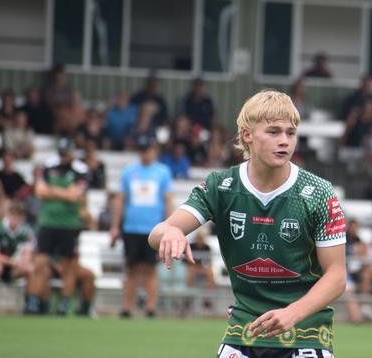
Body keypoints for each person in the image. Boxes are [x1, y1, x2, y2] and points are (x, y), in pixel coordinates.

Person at [148, 90, 346, 356]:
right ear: (247, 135)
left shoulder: (319, 193)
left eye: (291, 133)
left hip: (304, 334)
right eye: (273, 132)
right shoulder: (221, 187)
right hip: (244, 332)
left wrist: (292, 313)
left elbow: (336, 276)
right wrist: (171, 232)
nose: (284, 141)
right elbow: (157, 233)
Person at [110, 135, 173, 318]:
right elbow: (121, 200)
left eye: (147, 150)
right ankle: (127, 307)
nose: (145, 154)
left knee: (150, 269)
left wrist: (169, 225)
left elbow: (167, 200)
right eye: (142, 150)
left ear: (153, 150)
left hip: (153, 229)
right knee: (131, 268)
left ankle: (150, 307)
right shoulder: (129, 172)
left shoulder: (162, 172)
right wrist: (115, 225)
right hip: (131, 228)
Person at [27, 137, 88, 315]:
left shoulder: (80, 170)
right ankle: (33, 300)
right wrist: (64, 192)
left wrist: (51, 191)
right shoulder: (49, 166)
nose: (63, 157)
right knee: (40, 262)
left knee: (68, 265)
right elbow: (39, 192)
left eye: (66, 154)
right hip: (48, 222)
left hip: (69, 224)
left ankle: (64, 303)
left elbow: (75, 196)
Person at [0, 202, 34, 315]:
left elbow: (28, 254)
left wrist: (23, 262)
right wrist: (11, 262)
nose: (15, 219)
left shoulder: (26, 232)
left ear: (23, 218)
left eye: (19, 216)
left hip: (13, 268)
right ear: (8, 215)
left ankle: (30, 306)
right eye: (13, 215)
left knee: (30, 269)